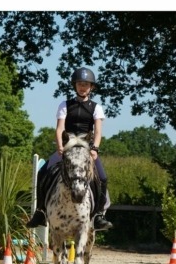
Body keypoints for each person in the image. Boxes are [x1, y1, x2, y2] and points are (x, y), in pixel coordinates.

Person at [27, 67, 113, 231]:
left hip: (86, 147)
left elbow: (98, 131)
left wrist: (94, 148)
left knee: (102, 177)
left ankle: (99, 215)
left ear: (91, 88)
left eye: (86, 84)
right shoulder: (65, 105)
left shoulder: (96, 107)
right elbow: (60, 128)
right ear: (75, 85)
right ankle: (40, 212)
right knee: (42, 172)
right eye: (80, 84)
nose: (83, 87)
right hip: (67, 145)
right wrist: (60, 145)